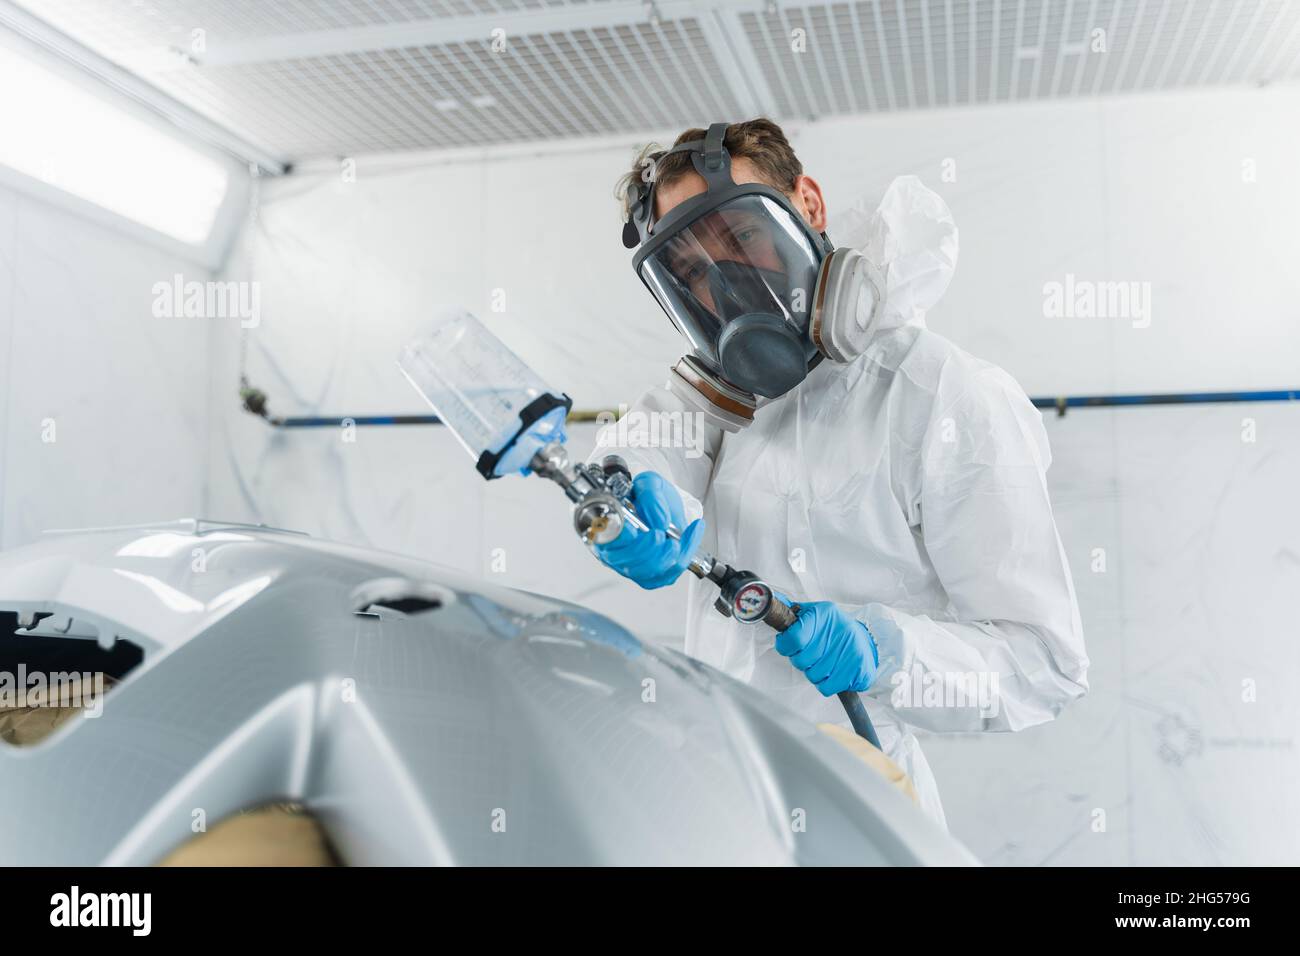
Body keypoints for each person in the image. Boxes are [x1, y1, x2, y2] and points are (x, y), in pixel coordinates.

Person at [591, 119, 1088, 827]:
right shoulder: (722, 399)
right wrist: (616, 496)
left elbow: (1045, 662)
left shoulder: (943, 394)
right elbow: (645, 444)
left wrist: (889, 651)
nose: (728, 285)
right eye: (695, 271)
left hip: (866, 810)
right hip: (723, 800)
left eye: (740, 236)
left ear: (809, 205)